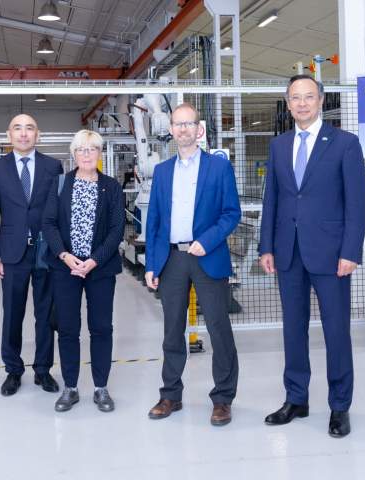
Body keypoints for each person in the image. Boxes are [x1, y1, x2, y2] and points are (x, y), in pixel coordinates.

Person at [259, 75, 365, 438]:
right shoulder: (279, 146)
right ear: (288, 103)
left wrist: (350, 251)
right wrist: (266, 246)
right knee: (293, 329)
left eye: (308, 97)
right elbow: (272, 200)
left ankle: (340, 406)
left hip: (332, 255)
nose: (302, 103)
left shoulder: (345, 144)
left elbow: (357, 204)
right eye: (295, 98)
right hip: (288, 252)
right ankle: (296, 398)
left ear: (321, 100)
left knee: (336, 331)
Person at [143, 103, 241, 427]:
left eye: (188, 123)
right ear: (171, 130)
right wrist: (152, 264)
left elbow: (231, 213)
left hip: (207, 256)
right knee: (172, 330)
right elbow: (154, 221)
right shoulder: (162, 171)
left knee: (218, 328)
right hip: (171, 259)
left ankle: (223, 398)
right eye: (177, 124)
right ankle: (170, 395)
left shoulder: (219, 167)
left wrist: (207, 240)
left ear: (199, 129)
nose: (183, 129)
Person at [41, 130, 125, 413]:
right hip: (65, 269)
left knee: (101, 328)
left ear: (100, 153)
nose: (86, 154)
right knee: (67, 328)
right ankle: (71, 388)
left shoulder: (111, 187)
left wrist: (95, 260)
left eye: (92, 149)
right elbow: (49, 223)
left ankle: (101, 388)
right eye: (81, 149)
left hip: (100, 269)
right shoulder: (59, 184)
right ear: (74, 154)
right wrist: (65, 256)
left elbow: (116, 229)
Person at [0, 113, 64, 396]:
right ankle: (13, 370)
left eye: (29, 128)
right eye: (17, 128)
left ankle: (43, 370)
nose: (23, 133)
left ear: (37, 135)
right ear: (9, 135)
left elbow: (59, 212)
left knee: (46, 313)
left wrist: (61, 251)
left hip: (46, 252)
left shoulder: (53, 166)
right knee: (12, 314)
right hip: (11, 253)